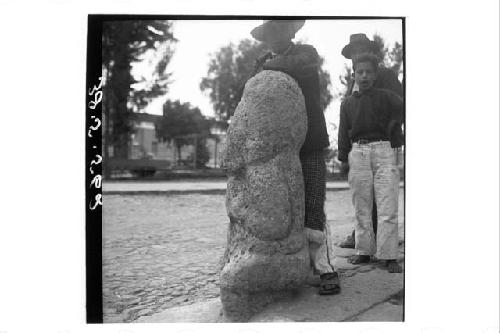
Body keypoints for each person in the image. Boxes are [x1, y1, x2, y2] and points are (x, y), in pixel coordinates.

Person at [250, 20, 340, 295]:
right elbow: (253, 92)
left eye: (281, 29)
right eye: (271, 32)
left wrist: (268, 66)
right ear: (266, 37)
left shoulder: (306, 53)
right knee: (283, 206)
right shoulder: (262, 62)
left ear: (291, 31)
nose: (276, 35)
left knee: (313, 205)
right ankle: (291, 268)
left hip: (309, 141)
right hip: (280, 146)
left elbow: (298, 66)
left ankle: (326, 269)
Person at [337, 53, 404, 273]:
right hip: (358, 152)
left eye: (369, 72)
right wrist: (343, 157)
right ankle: (364, 252)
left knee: (387, 204)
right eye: (360, 72)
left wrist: (394, 127)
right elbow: (342, 133)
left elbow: (402, 109)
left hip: (384, 150)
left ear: (375, 75)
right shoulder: (347, 103)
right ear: (354, 75)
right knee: (362, 206)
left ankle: (389, 256)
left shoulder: (387, 97)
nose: (364, 76)